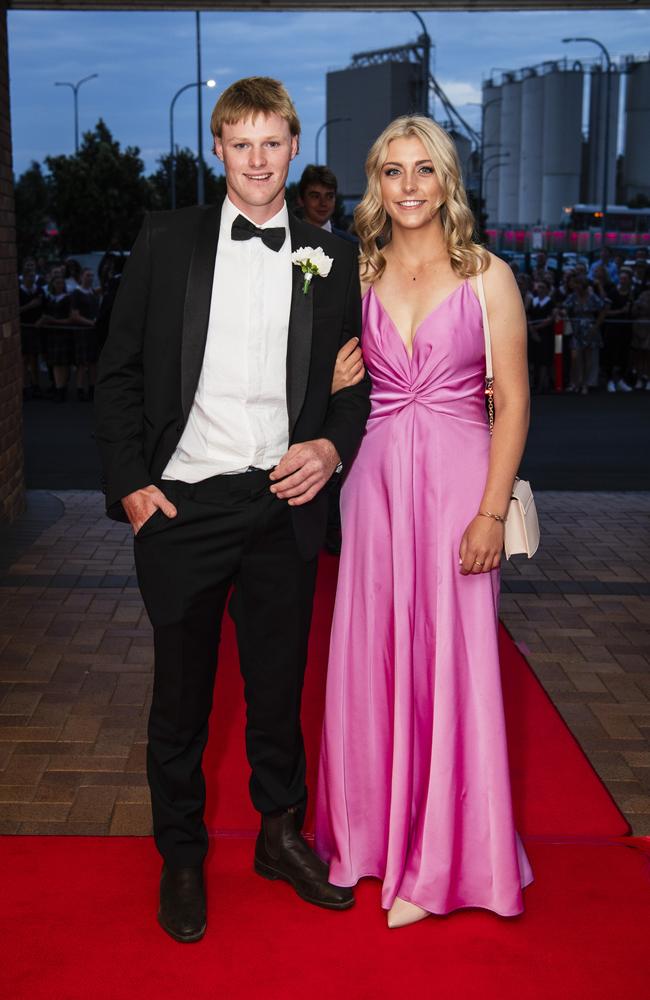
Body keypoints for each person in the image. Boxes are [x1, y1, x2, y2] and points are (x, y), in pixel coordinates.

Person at [95, 76, 371, 944]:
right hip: (182, 506)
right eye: (240, 143)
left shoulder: (334, 258)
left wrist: (329, 447)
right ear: (218, 148)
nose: (257, 160)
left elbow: (356, 388)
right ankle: (181, 853)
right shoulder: (166, 239)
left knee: (278, 690)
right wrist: (131, 485)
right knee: (182, 698)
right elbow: (119, 373)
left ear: (294, 147)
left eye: (272, 143)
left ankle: (278, 836)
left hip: (283, 504)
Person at [315, 115, 533, 928]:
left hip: (456, 488)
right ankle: (372, 842)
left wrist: (489, 511)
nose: (409, 187)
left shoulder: (487, 276)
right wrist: (335, 380)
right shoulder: (355, 275)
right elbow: (333, 388)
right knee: (372, 657)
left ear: (447, 182)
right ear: (376, 184)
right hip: (372, 486)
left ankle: (440, 861)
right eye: (392, 171)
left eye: (424, 171)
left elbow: (512, 403)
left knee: (453, 664)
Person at [563, 275, 606, 394]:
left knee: (589, 359)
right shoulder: (572, 297)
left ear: (584, 286)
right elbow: (563, 307)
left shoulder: (592, 297)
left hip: (590, 329)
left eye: (578, 285)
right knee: (576, 358)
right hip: (576, 329)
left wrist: (596, 325)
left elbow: (604, 308)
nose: (575, 287)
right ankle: (578, 382)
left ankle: (587, 384)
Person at [296, 163, 356, 243]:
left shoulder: (351, 244)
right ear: (301, 200)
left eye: (329, 196)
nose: (323, 203)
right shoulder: (287, 243)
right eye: (315, 196)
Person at [70, 267, 100, 401]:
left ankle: (93, 389)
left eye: (92, 276)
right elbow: (74, 316)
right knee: (82, 363)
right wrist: (91, 323)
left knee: (93, 362)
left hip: (93, 332)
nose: (90, 278)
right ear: (81, 276)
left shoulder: (92, 292)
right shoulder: (76, 293)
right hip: (82, 332)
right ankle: (80, 390)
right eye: (88, 275)